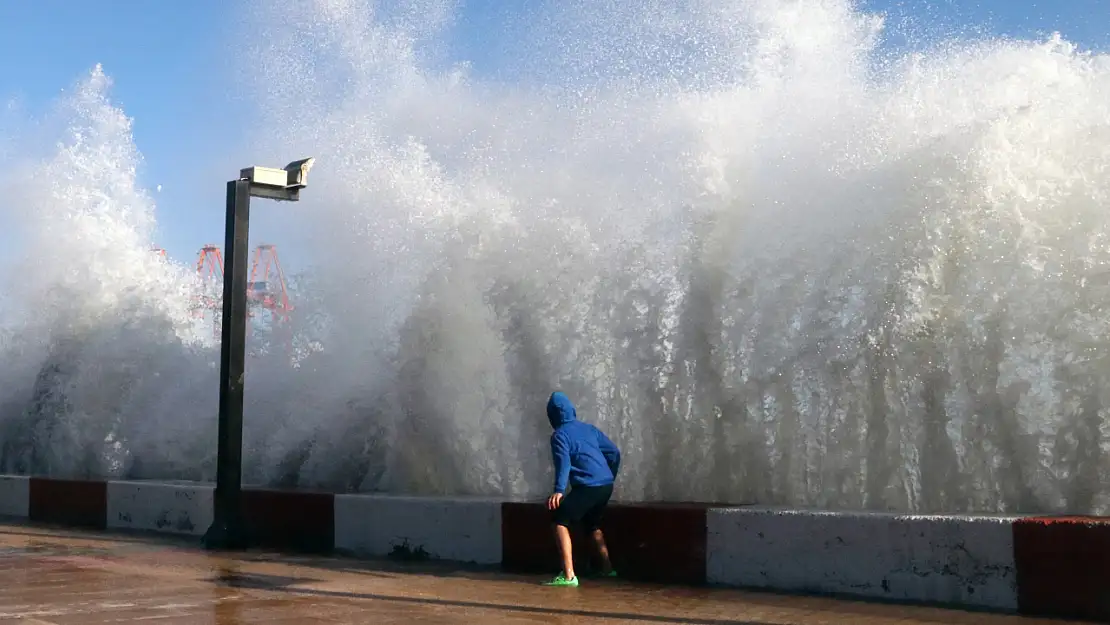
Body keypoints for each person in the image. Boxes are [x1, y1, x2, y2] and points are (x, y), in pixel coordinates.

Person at [542, 391, 621, 587]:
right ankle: (607, 568)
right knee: (592, 524)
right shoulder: (589, 429)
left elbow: (564, 463)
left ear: (552, 416)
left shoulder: (559, 435)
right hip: (605, 485)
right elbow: (614, 452)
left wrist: (559, 490)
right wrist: (609, 474)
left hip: (588, 486)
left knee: (560, 521)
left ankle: (568, 575)